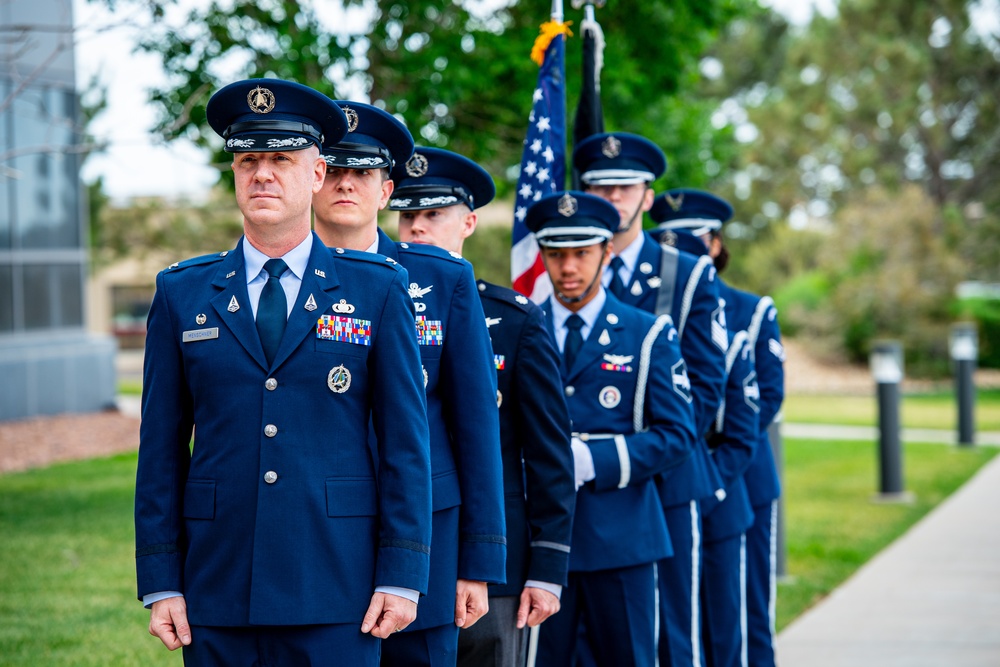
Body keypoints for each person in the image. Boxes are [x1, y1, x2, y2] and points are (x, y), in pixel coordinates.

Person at [134, 78, 433, 666]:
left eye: (281, 159)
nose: (263, 174)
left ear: (317, 175)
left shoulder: (376, 290)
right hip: (216, 586)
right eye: (249, 160)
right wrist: (162, 579)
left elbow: (405, 444)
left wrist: (403, 574)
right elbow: (161, 451)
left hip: (336, 584)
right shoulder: (182, 292)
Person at [312, 104, 507, 667]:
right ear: (317, 178)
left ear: (386, 189)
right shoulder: (281, 274)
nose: (348, 183)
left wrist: (476, 561)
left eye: (364, 173)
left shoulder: (443, 279)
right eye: (337, 169)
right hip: (319, 531)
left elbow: (475, 426)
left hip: (430, 535)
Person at [386, 146, 577, 667]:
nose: (417, 229)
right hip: (398, 555)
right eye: (407, 215)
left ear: (468, 222)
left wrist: (546, 567)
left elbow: (548, 457)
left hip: (493, 562)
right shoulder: (367, 304)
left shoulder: (512, 320)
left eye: (433, 215)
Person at [573, 132, 728, 667]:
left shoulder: (683, 272)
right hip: (581, 489)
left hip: (665, 480)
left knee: (670, 635)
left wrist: (645, 456)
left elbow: (707, 386)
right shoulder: (566, 268)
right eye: (600, 186)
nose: (613, 197)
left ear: (647, 195)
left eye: (625, 187)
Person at [527, 190, 696, 667]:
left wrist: (594, 461)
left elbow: (678, 434)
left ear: (607, 252)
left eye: (582, 253)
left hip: (622, 539)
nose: (568, 268)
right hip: (540, 546)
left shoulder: (647, 333)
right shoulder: (522, 326)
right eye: (556, 255)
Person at [652, 188, 786, 667]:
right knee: (677, 614)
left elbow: (764, 398)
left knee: (742, 613)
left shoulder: (749, 309)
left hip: (737, 473)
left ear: (714, 244)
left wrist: (711, 468)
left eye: (692, 240)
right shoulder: (652, 310)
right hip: (673, 472)